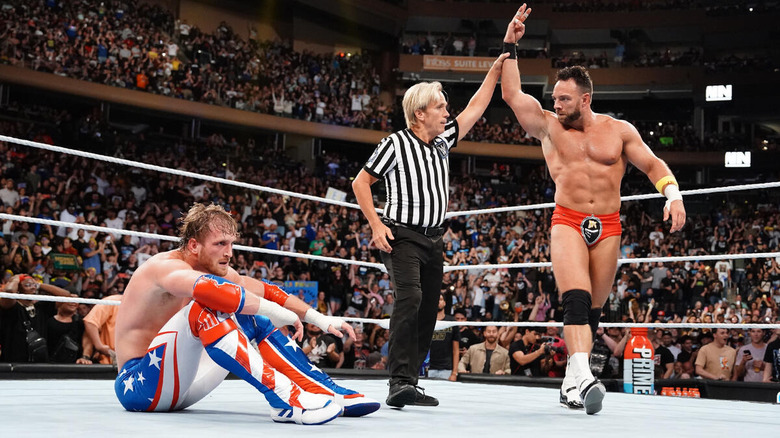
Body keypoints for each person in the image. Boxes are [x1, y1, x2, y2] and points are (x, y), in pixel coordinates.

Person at [500, 4, 686, 415]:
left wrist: (672, 194)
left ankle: (572, 382)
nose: (557, 103)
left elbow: (654, 165)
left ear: (585, 99)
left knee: (595, 312)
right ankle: (584, 376)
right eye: (554, 97)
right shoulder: (548, 125)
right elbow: (512, 94)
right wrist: (511, 43)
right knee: (576, 301)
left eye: (564, 98)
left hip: (608, 224)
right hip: (567, 219)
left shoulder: (619, 132)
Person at [114, 203, 378, 425]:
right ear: (193, 245)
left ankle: (321, 389)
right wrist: (279, 314)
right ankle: (285, 397)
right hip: (140, 385)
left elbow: (267, 291)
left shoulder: (217, 270)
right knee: (207, 305)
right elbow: (210, 291)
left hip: (185, 385)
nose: (229, 253)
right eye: (220, 244)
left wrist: (319, 318)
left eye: (231, 244)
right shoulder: (164, 267)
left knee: (252, 317)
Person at [352, 51, 509, 408]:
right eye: (440, 106)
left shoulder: (442, 142)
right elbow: (361, 183)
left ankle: (409, 381)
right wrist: (375, 225)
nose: (446, 112)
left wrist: (495, 71)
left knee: (427, 310)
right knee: (410, 298)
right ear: (420, 113)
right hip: (401, 234)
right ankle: (397, 382)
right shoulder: (395, 143)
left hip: (434, 238)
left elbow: (474, 109)